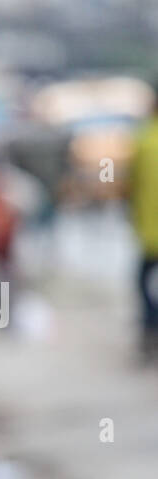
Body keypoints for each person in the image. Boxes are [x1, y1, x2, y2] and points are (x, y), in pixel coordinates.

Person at [129, 80, 158, 362]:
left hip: (150, 231)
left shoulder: (143, 138)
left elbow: (131, 185)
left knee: (143, 283)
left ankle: (151, 328)